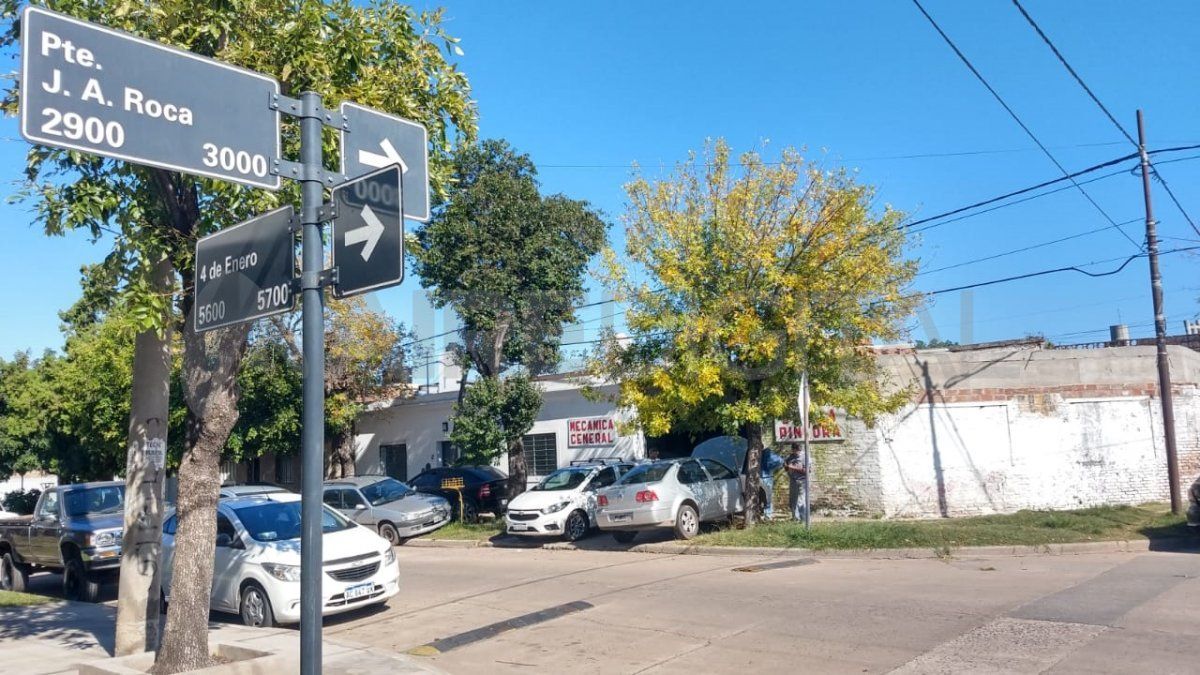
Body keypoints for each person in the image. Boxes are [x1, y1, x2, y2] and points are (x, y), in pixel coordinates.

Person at [759, 446, 784, 519]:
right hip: (767, 477)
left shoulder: (754, 453)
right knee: (767, 497)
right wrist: (772, 468)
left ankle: (764, 513)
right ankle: (767, 514)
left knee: (760, 497)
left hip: (759, 478)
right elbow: (780, 461)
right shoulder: (768, 453)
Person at [785, 447, 807, 522]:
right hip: (793, 480)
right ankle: (795, 518)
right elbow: (787, 468)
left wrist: (793, 467)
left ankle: (803, 518)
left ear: (800, 450)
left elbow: (807, 471)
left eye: (797, 450)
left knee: (801, 500)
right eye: (794, 450)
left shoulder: (805, 457)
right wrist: (786, 466)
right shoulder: (790, 457)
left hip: (802, 481)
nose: (795, 452)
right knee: (793, 500)